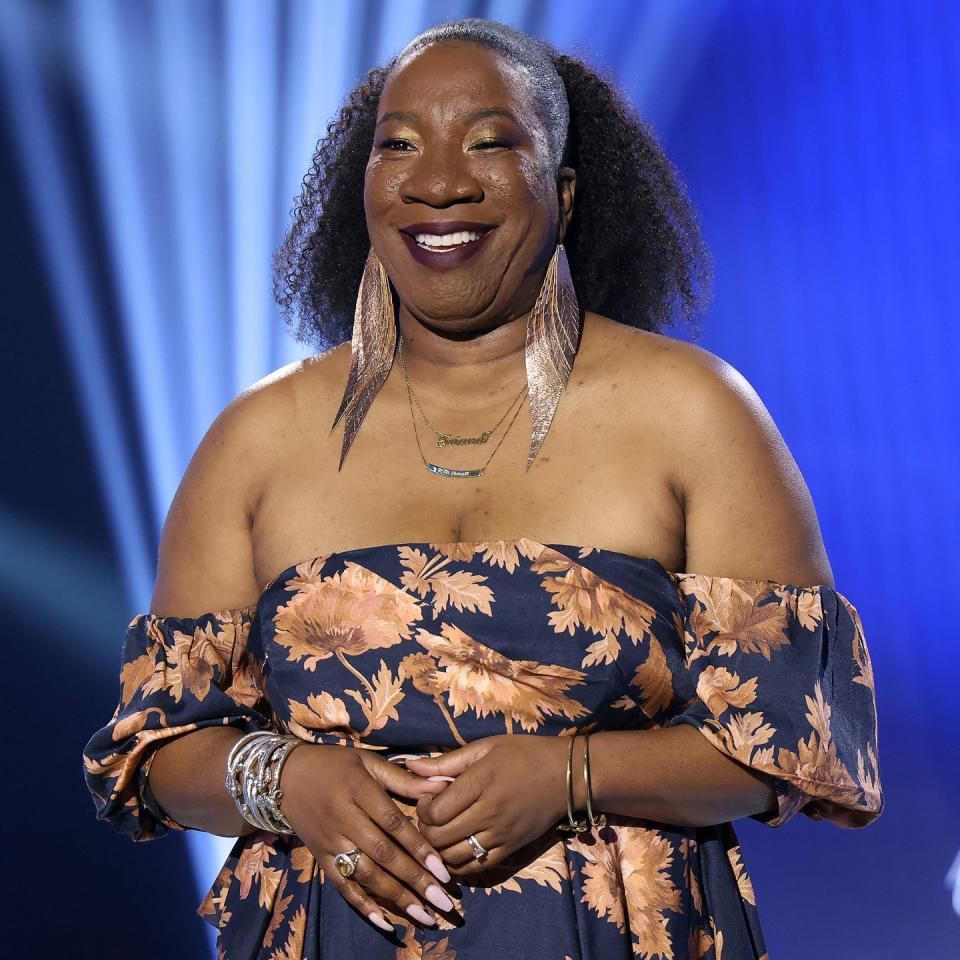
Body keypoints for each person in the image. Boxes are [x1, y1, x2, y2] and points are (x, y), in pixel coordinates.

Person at [82, 18, 884, 960]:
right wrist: (285, 776)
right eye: (400, 145)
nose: (440, 181)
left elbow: (789, 742)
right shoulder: (257, 439)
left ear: (566, 190)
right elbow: (155, 748)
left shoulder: (694, 413)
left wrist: (570, 775)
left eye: (491, 142)